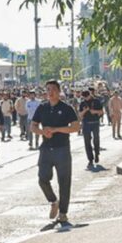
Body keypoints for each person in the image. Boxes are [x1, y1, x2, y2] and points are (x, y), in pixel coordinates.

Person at [32, 79, 80, 226]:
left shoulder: (66, 108)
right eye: (48, 89)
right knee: (42, 179)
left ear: (59, 91)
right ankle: (53, 201)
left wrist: (57, 129)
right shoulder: (42, 107)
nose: (50, 92)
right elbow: (33, 126)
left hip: (62, 149)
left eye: (53, 89)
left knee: (64, 182)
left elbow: (76, 127)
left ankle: (63, 213)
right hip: (46, 149)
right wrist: (42, 132)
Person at [77, 88, 104, 170]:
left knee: (96, 139)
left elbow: (102, 112)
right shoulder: (82, 103)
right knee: (87, 141)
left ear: (90, 94)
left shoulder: (96, 101)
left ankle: (96, 154)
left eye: (87, 96)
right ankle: (90, 159)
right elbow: (80, 115)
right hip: (86, 124)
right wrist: (85, 111)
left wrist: (94, 111)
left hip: (95, 122)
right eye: (84, 97)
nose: (86, 98)